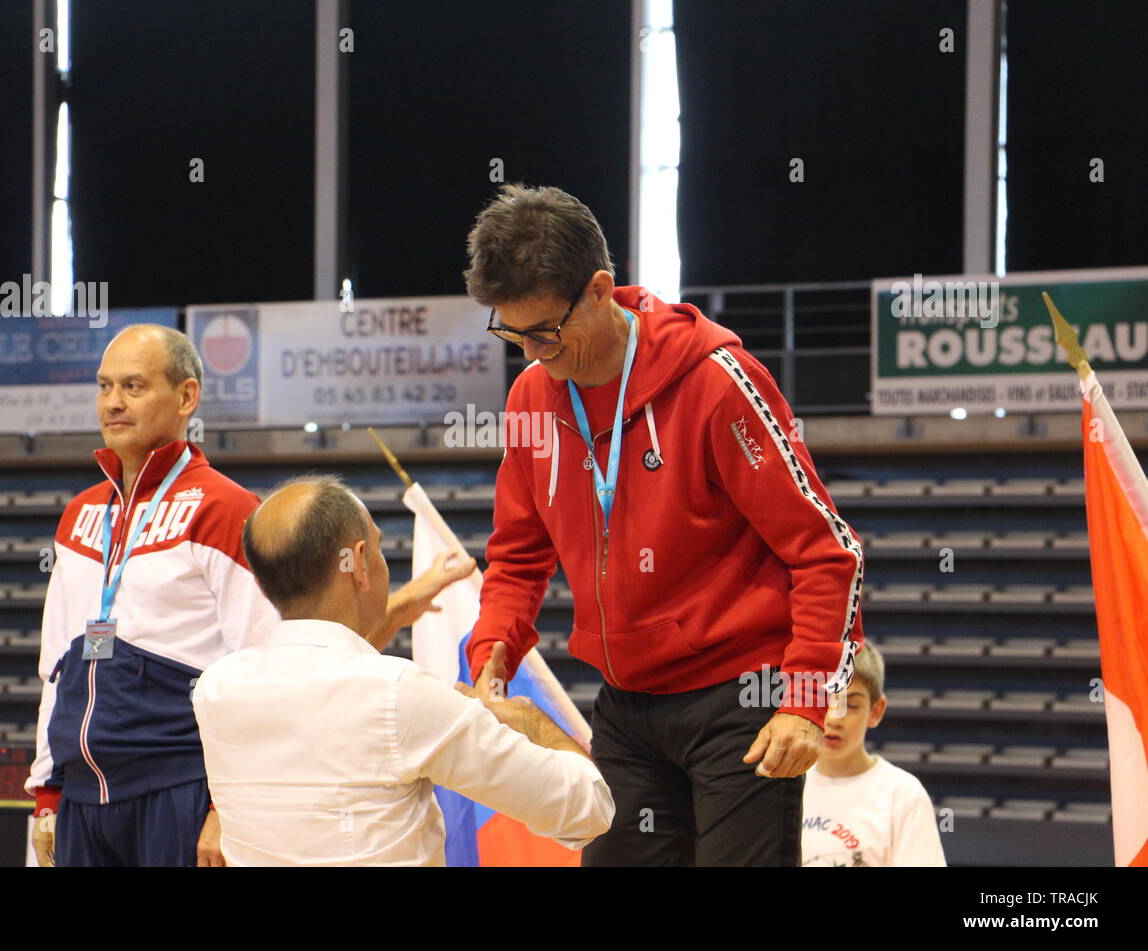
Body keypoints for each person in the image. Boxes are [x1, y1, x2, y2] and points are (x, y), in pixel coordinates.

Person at [462, 184, 866, 866]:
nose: (531, 353)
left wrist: (803, 700)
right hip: (626, 704)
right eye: (511, 333)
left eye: (543, 332)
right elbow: (519, 553)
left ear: (598, 289)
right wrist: (493, 645)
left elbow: (829, 554)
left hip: (741, 699)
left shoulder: (716, 381)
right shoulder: (532, 397)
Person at [27, 324, 470, 867]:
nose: (113, 403)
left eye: (134, 387)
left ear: (187, 396)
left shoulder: (229, 511)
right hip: (80, 801)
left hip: (179, 791)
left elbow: (271, 673)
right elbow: (56, 668)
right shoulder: (79, 515)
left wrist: (225, 808)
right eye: (104, 386)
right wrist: (46, 794)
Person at [190, 476, 614, 865]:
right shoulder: (400, 694)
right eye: (376, 547)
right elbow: (588, 808)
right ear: (356, 562)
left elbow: (320, 676)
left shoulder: (216, 689)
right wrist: (531, 721)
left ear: (264, 582)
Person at [801, 645, 947, 866]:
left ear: (876, 711)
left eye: (850, 705)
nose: (834, 719)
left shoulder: (903, 795)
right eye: (824, 701)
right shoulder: (785, 785)